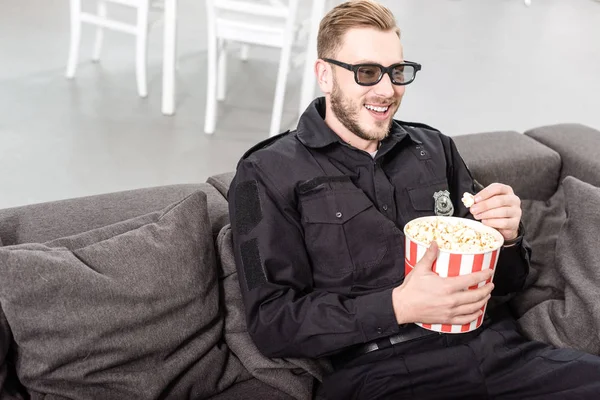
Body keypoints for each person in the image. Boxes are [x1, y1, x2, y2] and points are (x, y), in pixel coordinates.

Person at [228, 1, 600, 398]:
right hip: (381, 372)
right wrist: (399, 307)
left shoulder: (434, 147)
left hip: (499, 351)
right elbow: (273, 324)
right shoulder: (265, 172)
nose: (387, 90)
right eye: (367, 72)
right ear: (325, 75)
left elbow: (507, 282)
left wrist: (506, 238)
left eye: (397, 72)